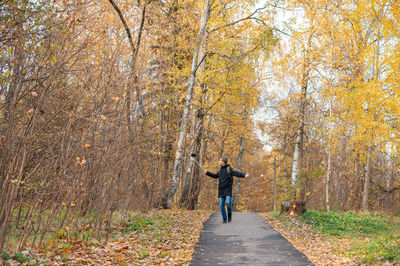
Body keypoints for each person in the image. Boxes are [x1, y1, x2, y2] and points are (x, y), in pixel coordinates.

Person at [204, 157, 249, 223]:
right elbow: (215, 176)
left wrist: (244, 175)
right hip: (221, 191)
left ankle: (229, 215)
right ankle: (224, 219)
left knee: (228, 203)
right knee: (221, 204)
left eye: (220, 160)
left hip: (228, 190)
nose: (218, 161)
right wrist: (207, 172)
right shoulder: (220, 170)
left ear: (223, 162)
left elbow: (236, 173)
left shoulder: (229, 169)